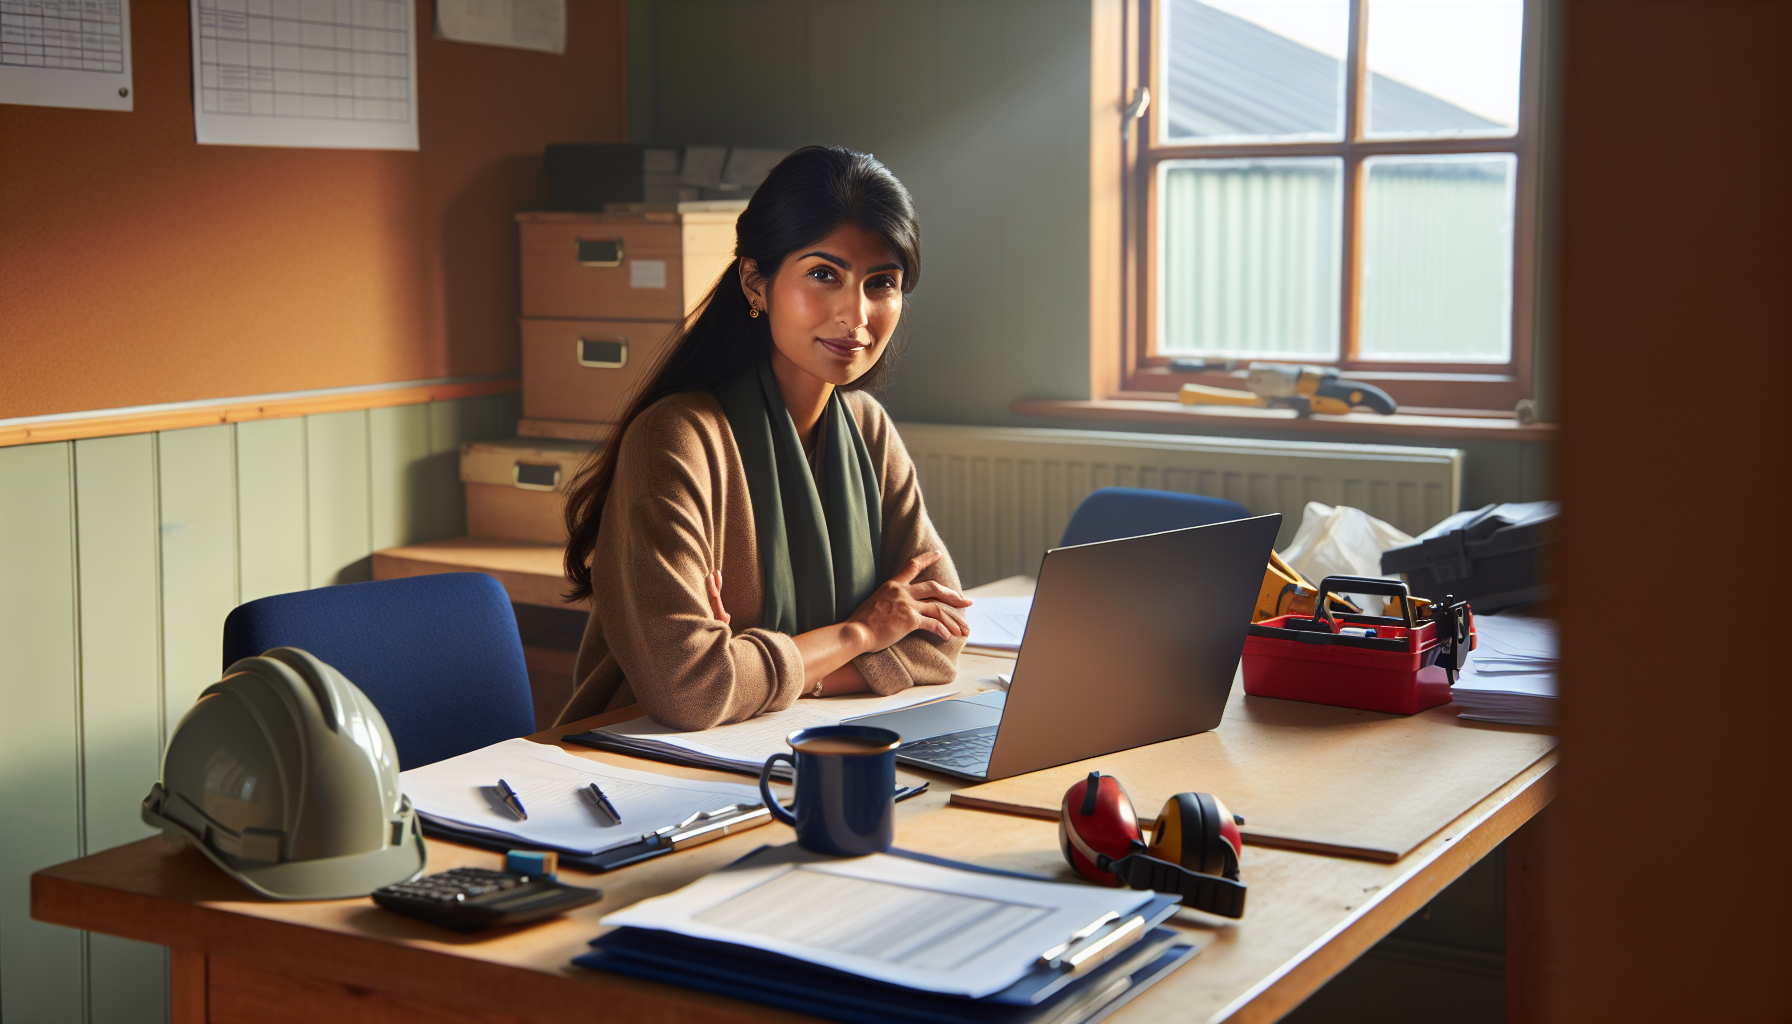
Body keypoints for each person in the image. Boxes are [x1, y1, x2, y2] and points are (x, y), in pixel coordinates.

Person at [555, 146, 971, 732]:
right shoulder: (675, 440)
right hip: (639, 760)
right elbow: (692, 689)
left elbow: (938, 643)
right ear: (756, 281)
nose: (857, 315)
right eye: (824, 274)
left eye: (882, 283)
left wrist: (766, 668)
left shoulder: (868, 429)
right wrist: (860, 633)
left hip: (788, 740)